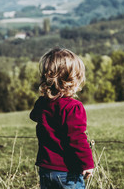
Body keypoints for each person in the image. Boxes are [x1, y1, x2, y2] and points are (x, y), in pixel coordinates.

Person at [30, 47, 94, 189]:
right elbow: (77, 138)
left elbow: (34, 116)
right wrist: (88, 163)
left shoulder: (42, 103)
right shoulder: (73, 107)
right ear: (73, 79)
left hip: (46, 169)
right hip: (67, 171)